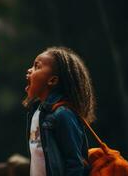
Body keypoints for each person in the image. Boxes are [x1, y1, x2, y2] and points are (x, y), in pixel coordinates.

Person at [22, 46, 96, 176]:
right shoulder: (36, 113)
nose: (29, 70)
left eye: (37, 67)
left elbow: (75, 164)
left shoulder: (63, 114)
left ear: (52, 80)